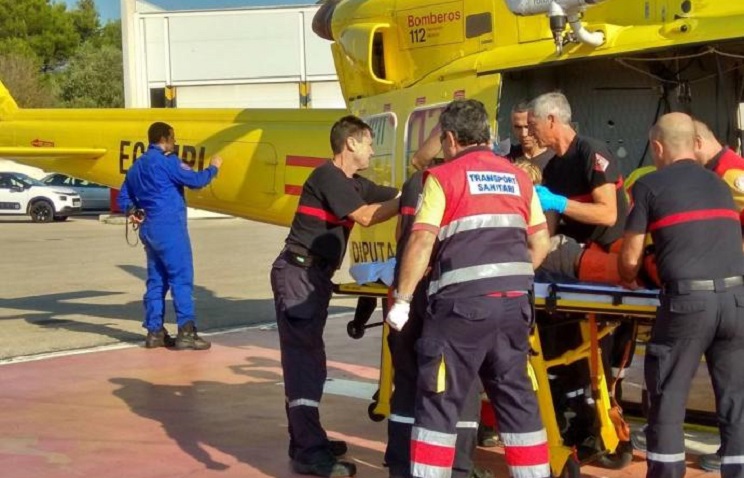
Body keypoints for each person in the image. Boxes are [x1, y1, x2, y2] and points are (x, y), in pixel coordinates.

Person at [386, 99, 552, 478]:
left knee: (439, 401)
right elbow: (540, 242)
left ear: (449, 139)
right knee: (518, 402)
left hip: (461, 310)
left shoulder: (443, 177)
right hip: (515, 307)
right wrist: (510, 276)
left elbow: (421, 241)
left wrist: (404, 299)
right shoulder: (518, 178)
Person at [271, 115, 400, 478]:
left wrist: (422, 186)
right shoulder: (327, 176)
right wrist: (409, 201)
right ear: (351, 143)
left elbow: (392, 194)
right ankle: (308, 451)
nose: (373, 151)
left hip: (313, 276)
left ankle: (305, 439)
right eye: (369, 143)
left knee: (311, 360)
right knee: (303, 361)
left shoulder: (354, 183)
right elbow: (366, 217)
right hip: (299, 274)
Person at [619, 112, 744, 478]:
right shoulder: (720, 184)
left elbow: (629, 261)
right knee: (735, 398)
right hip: (736, 300)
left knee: (668, 393)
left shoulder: (648, 185)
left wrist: (636, 272)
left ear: (657, 147)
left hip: (688, 304)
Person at [527, 91, 635, 451]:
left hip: (604, 258)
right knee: (564, 345)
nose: (529, 132)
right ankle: (576, 417)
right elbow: (550, 230)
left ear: (552, 120)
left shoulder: (591, 152)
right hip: (574, 267)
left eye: (533, 124)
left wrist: (559, 203)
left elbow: (607, 214)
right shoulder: (553, 168)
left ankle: (598, 424)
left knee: (598, 354)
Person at [384, 166, 486, 478]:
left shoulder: (417, 180)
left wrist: (402, 296)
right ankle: (457, 467)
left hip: (407, 288)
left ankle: (402, 465)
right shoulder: (467, 181)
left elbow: (404, 235)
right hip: (449, 296)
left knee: (407, 381)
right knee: (461, 383)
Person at [117, 121, 222, 350]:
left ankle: (154, 332)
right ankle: (186, 332)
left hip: (149, 229)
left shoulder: (136, 166)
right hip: (170, 229)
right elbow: (196, 181)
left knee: (156, 281)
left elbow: (123, 197)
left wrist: (133, 211)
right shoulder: (168, 162)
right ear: (164, 139)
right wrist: (213, 168)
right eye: (173, 138)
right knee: (181, 279)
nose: (175, 142)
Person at [506, 101, 555, 171]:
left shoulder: (556, 160)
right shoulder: (506, 158)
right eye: (518, 127)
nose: (524, 134)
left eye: (528, 126)